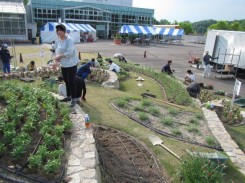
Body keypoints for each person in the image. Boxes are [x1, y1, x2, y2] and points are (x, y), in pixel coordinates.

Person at [54, 24, 79, 108]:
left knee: (71, 81)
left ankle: (74, 99)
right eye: (57, 30)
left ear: (64, 31)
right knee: (66, 81)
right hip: (63, 64)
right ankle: (68, 96)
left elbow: (69, 53)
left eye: (61, 30)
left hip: (71, 64)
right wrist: (56, 62)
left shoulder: (69, 40)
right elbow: (57, 53)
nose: (59, 32)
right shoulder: (57, 41)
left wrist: (60, 56)